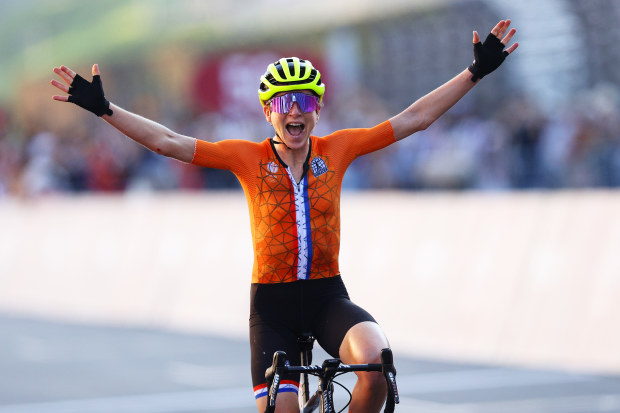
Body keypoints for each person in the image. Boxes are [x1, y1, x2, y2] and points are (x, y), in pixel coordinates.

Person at [51, 20, 518, 413]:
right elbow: (168, 143)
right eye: (282, 103)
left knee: (376, 365)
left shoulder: (339, 149)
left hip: (326, 296)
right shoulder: (245, 157)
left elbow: (415, 117)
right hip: (271, 308)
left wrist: (475, 72)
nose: (294, 111)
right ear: (268, 113)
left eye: (306, 102)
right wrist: (105, 109)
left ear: (317, 110)